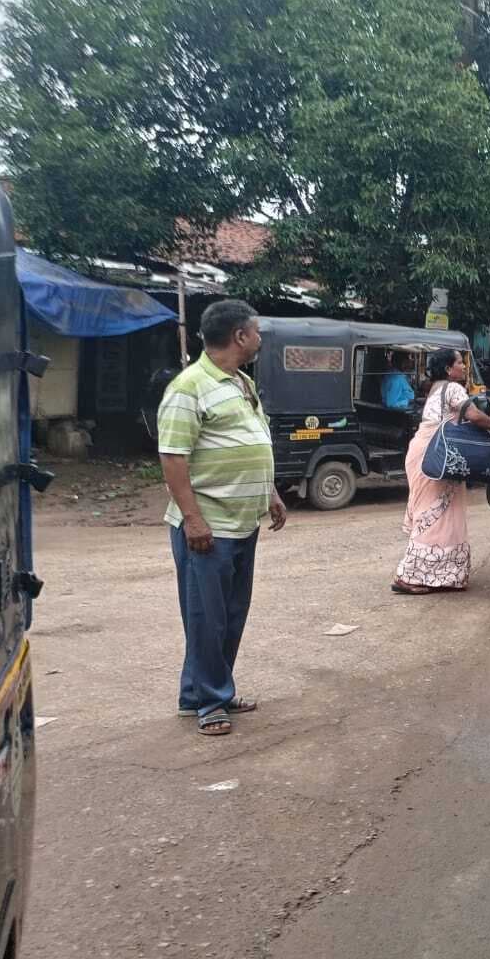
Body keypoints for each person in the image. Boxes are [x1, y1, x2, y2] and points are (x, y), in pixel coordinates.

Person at [156, 299, 286, 738]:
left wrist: (270, 492)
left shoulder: (241, 383)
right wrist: (193, 520)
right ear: (240, 337)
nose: (260, 338)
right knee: (205, 618)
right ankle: (209, 702)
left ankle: (204, 691)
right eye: (256, 331)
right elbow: (173, 458)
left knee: (229, 614)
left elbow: (254, 440)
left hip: (242, 524)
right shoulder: (188, 387)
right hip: (208, 528)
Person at [393, 349, 490, 594]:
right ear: (448, 369)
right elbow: (474, 415)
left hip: (425, 451)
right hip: (436, 455)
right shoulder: (453, 388)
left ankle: (444, 575)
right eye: (459, 363)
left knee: (440, 512)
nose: (464, 367)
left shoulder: (435, 388)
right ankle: (409, 576)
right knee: (433, 515)